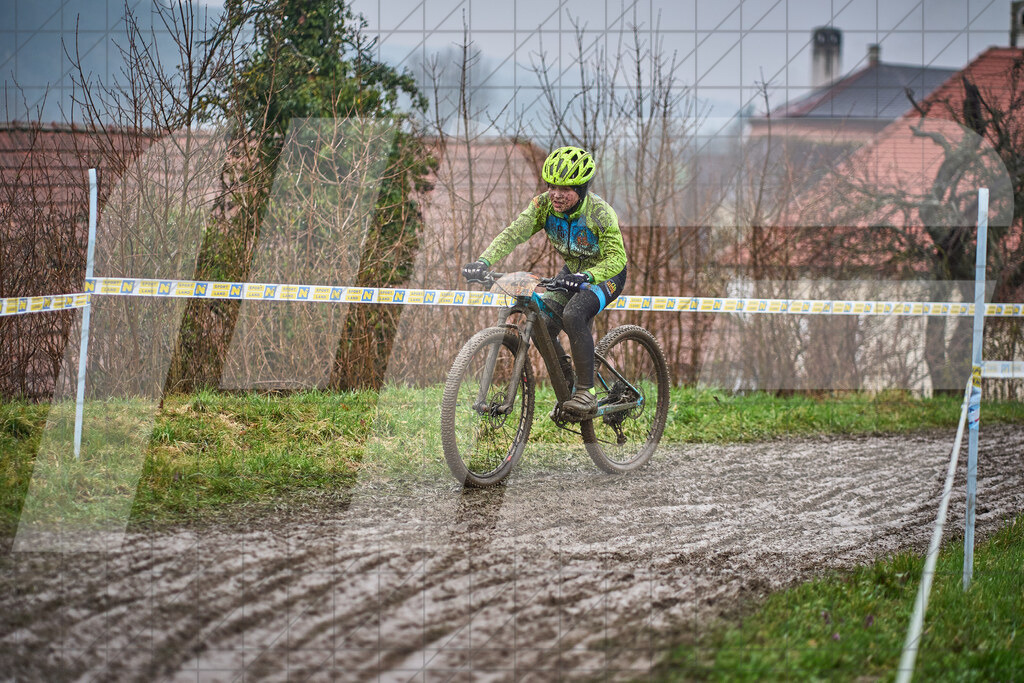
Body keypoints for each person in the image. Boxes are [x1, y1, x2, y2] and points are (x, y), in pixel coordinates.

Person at [461, 146, 627, 418]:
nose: (557, 194)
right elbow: (514, 233)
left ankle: (587, 392)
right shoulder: (544, 206)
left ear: (582, 188)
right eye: (552, 186)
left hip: (605, 273)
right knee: (544, 327)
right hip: (572, 270)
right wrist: (484, 261)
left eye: (566, 188)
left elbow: (617, 258)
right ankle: (568, 386)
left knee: (574, 314)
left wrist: (587, 276)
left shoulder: (600, 213)